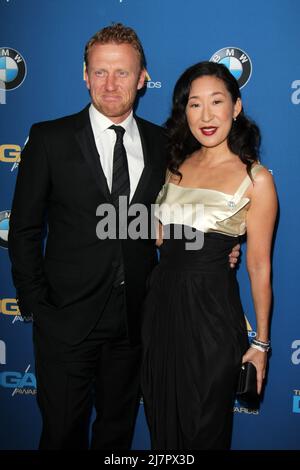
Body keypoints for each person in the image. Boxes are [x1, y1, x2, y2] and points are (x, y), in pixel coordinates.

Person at [8, 24, 239, 450]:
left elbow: (174, 216)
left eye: (122, 73)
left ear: (142, 77)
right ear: (84, 74)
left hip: (135, 324)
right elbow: (22, 230)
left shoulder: (163, 143)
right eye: (100, 72)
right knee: (61, 436)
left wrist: (218, 245)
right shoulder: (49, 139)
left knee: (116, 437)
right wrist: (40, 307)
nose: (110, 84)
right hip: (66, 323)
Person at [141, 61, 277, 450]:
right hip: (160, 313)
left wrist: (262, 344)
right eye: (194, 104)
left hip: (212, 317)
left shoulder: (257, 179)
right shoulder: (173, 166)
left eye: (216, 101)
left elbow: (259, 265)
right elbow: (157, 236)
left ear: (236, 106)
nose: (206, 115)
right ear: (184, 112)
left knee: (204, 430)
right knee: (162, 430)